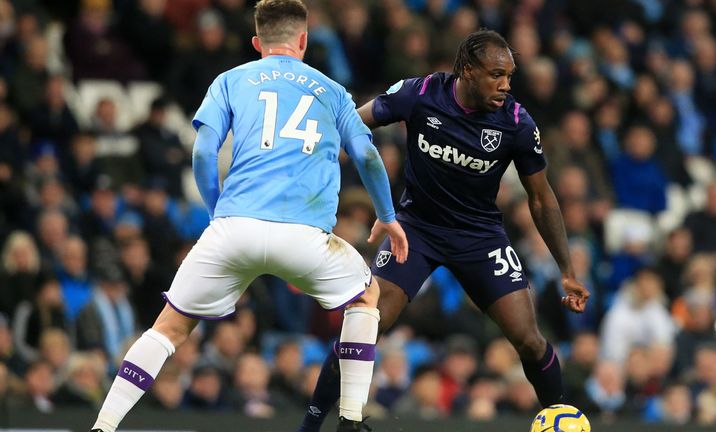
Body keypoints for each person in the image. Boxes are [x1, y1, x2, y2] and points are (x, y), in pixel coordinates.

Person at [89, 1, 408, 431]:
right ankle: (350, 420)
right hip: (306, 236)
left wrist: (215, 211)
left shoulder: (231, 80)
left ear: (257, 42)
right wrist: (387, 215)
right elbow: (368, 155)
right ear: (304, 40)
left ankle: (103, 426)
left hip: (234, 227)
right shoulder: (332, 91)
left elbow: (203, 152)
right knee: (366, 299)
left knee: (168, 329)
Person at [297, 29, 590, 432]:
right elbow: (351, 124)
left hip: (480, 237)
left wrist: (567, 269)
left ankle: (561, 419)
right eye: (496, 74)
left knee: (528, 339)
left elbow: (542, 198)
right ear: (467, 70)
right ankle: (311, 426)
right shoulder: (420, 94)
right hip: (416, 230)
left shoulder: (517, 123)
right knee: (365, 324)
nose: (506, 85)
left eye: (510, 75)